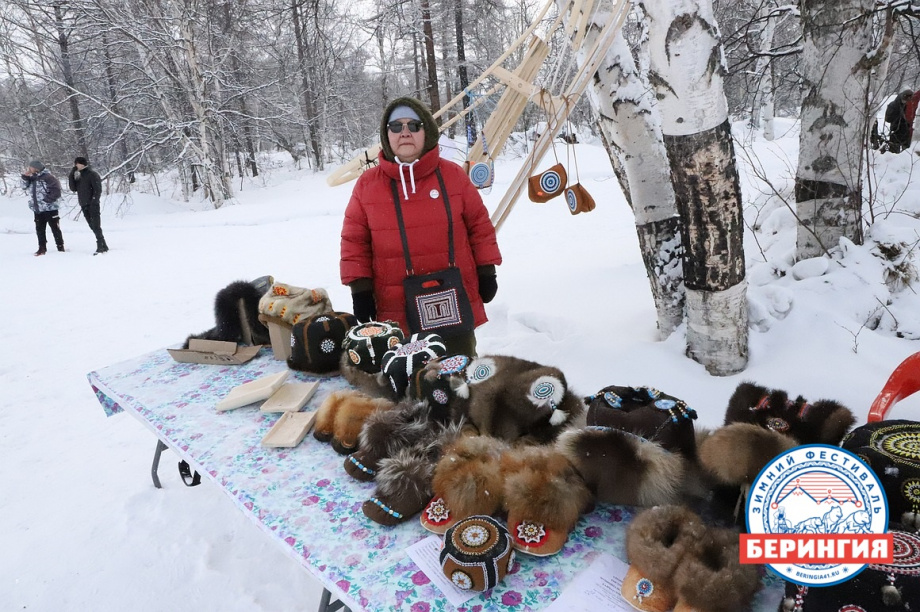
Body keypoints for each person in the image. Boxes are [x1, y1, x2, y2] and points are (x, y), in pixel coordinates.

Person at [340, 97, 502, 357]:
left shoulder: (453, 176)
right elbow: (354, 241)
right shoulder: (367, 185)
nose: (405, 132)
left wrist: (487, 270)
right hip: (396, 309)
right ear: (386, 134)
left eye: (413, 125)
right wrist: (360, 289)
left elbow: (479, 227)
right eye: (396, 126)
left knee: (458, 379)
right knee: (406, 379)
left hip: (454, 300)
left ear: (426, 131)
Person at [21, 160, 63, 256]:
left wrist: (46, 201)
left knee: (55, 228)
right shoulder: (32, 178)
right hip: (38, 209)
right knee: (40, 229)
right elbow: (23, 187)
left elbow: (56, 191)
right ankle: (42, 248)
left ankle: (60, 247)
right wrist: (25, 177)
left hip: (50, 209)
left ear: (36, 168)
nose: (29, 169)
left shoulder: (48, 178)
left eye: (30, 167)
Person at [68, 156, 109, 255]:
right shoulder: (78, 175)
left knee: (96, 225)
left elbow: (97, 189)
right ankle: (104, 244)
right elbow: (73, 188)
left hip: (92, 203)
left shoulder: (92, 174)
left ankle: (100, 245)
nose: (76, 165)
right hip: (83, 203)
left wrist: (94, 201)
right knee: (91, 225)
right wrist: (71, 174)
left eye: (77, 163)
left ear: (82, 164)